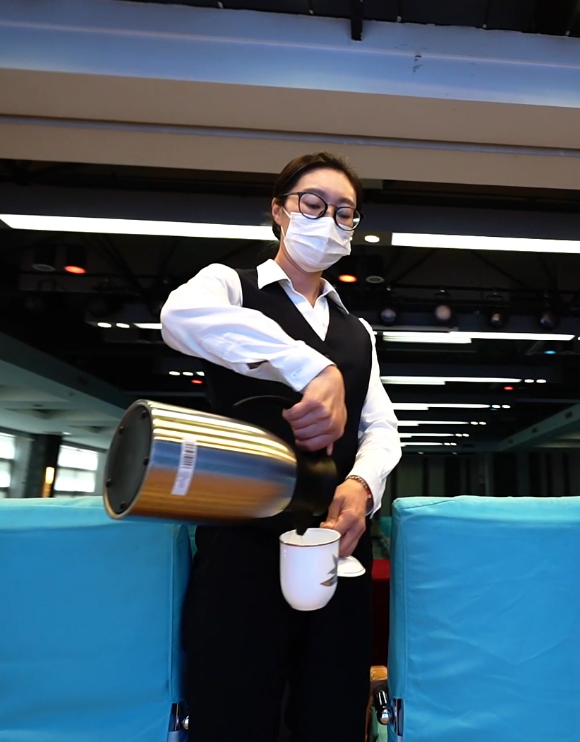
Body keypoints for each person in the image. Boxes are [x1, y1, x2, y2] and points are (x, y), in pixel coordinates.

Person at [160, 152, 401, 742]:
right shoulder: (229, 286)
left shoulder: (358, 330)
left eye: (344, 213)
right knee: (233, 714)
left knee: (332, 715)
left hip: (335, 549)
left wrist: (362, 485)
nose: (329, 220)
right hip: (242, 545)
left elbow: (380, 427)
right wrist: (312, 368)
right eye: (312, 204)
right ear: (278, 210)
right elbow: (178, 316)